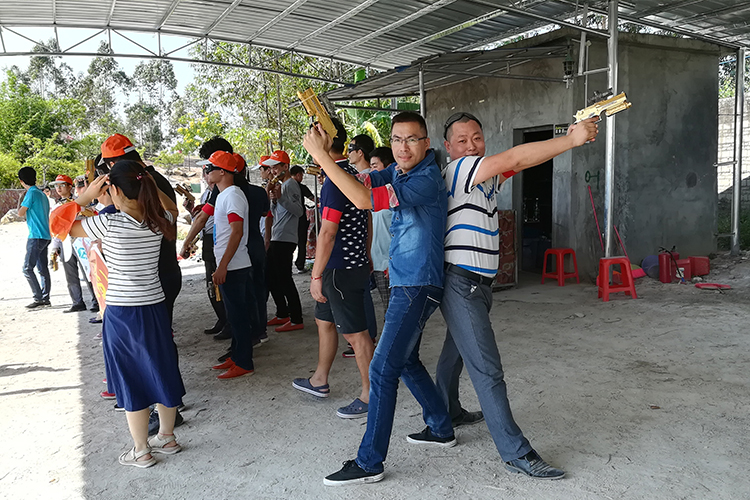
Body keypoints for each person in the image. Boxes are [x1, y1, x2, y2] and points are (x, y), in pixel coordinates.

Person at [435, 112, 599, 480]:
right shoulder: (460, 170)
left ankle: (445, 413)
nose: (471, 145)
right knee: (487, 369)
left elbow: (523, 161)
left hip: (477, 284)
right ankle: (516, 452)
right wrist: (570, 140)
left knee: (455, 352)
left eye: (477, 138)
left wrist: (567, 142)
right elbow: (514, 157)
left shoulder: (484, 177)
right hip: (462, 283)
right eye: (462, 140)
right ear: (448, 147)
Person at [303, 112, 454, 486]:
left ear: (426, 144)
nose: (403, 147)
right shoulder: (399, 171)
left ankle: (370, 461)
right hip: (406, 281)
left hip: (417, 284)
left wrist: (321, 157)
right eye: (397, 139)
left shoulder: (425, 179)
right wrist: (329, 149)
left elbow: (363, 199)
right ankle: (440, 426)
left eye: (412, 139)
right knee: (406, 360)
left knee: (382, 369)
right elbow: (356, 181)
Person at [56, 161, 185, 468]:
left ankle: (141, 451)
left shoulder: (108, 223)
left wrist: (85, 196)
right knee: (162, 367)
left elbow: (58, 224)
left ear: (113, 189)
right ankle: (167, 437)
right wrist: (148, 180)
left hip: (122, 312)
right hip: (154, 306)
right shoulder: (159, 220)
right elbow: (172, 208)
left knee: (131, 377)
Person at [292, 118, 374, 419]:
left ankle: (371, 394)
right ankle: (319, 379)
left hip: (340, 270)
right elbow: (367, 218)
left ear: (324, 140)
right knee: (324, 321)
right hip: (349, 265)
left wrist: (316, 275)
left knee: (356, 335)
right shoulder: (348, 174)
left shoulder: (334, 180)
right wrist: (366, 253)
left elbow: (327, 233)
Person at [100, 134, 182, 327]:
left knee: (151, 335)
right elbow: (171, 212)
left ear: (113, 164)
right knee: (158, 334)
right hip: (163, 270)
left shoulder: (141, 185)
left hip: (153, 277)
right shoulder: (153, 180)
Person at [197, 151, 257, 379]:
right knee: (234, 315)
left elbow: (237, 232)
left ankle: (244, 362)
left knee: (239, 316)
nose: (206, 172)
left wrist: (222, 266)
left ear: (222, 172)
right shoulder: (224, 195)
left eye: (209, 168)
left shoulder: (232, 195)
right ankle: (237, 355)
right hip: (230, 264)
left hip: (234, 266)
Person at [263, 150, 305, 332]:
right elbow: (276, 212)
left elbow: (299, 211)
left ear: (285, 167)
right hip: (277, 235)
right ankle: (282, 313)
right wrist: (274, 200)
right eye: (271, 168)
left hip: (285, 238)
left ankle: (296, 318)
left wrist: (280, 198)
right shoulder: (281, 185)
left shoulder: (291, 185)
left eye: (276, 167)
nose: (273, 171)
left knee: (285, 278)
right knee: (273, 276)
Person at [49, 174, 99, 314]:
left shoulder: (80, 201)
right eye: (56, 186)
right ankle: (77, 302)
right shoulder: (56, 206)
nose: (58, 188)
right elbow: (56, 229)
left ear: (70, 187)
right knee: (70, 275)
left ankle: (96, 300)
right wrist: (55, 247)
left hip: (81, 241)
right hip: (66, 242)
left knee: (88, 271)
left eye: (62, 185)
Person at [17, 166, 51, 309]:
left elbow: (20, 213)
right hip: (46, 235)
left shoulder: (30, 193)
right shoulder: (42, 194)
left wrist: (21, 198)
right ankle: (45, 297)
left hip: (35, 235)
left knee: (27, 268)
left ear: (21, 181)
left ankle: (38, 298)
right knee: (42, 268)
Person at [367, 147, 395, 316]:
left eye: (375, 166)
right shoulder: (372, 197)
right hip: (377, 263)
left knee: (391, 312)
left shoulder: (394, 195)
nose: (372, 171)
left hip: (389, 265)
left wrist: (393, 262)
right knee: (387, 309)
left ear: (389, 167)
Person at [290, 165, 315, 273]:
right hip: (300, 218)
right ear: (298, 175)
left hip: (289, 218)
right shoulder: (301, 187)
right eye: (302, 175)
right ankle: (300, 264)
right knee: (301, 242)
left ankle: (288, 264)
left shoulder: (285, 186)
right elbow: (313, 198)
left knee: (289, 242)